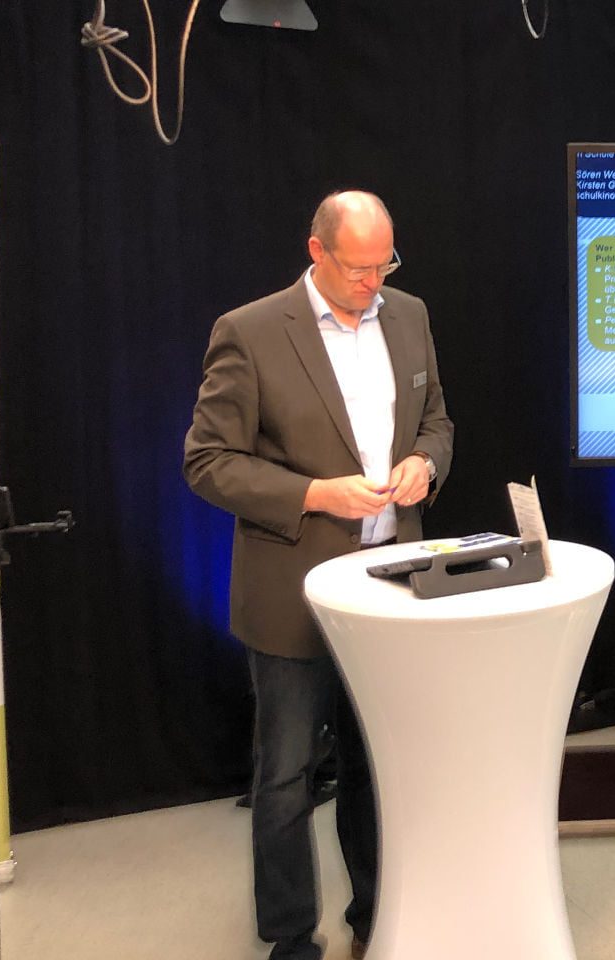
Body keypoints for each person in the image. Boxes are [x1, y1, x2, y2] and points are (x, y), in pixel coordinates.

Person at [184, 190, 453, 960]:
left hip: (390, 585)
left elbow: (436, 419)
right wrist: (313, 494)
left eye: (384, 265)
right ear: (317, 252)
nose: (373, 282)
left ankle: (378, 918)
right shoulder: (250, 332)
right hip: (292, 593)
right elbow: (207, 462)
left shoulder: (410, 315)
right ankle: (291, 938)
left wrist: (424, 463)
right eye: (358, 268)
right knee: (286, 777)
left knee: (378, 765)